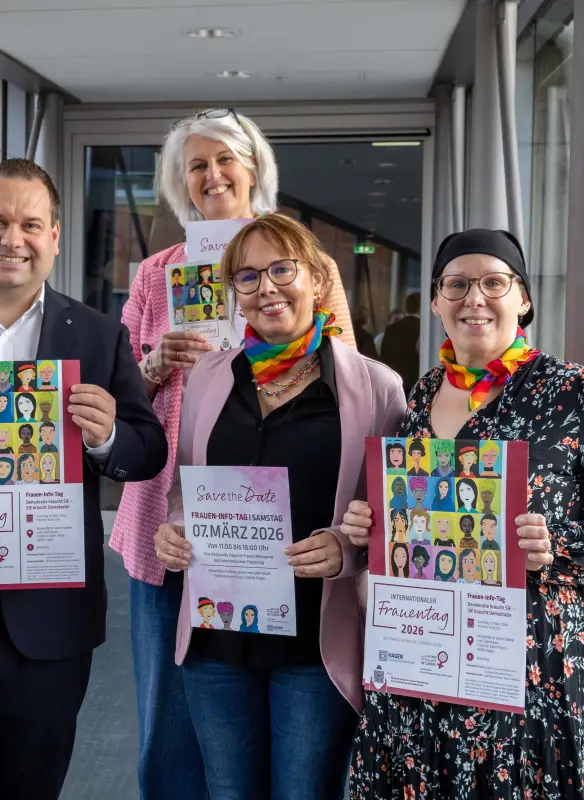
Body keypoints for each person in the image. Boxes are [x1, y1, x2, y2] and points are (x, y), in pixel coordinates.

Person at [342, 228, 584, 798]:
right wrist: (372, 526)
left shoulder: (573, 391)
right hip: (424, 654)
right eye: (457, 284)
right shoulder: (422, 395)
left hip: (527, 667)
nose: (475, 298)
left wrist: (558, 547)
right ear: (437, 301)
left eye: (494, 283)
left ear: (522, 299)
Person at [109, 108, 356, 800]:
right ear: (181, 183)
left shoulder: (307, 265)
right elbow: (116, 390)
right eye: (196, 165)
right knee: (170, 728)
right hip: (172, 526)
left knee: (281, 731)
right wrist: (154, 364)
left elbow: (347, 378)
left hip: (277, 522)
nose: (212, 175)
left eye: (225, 160)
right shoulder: (156, 274)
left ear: (254, 170)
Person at [153, 214, 405, 799]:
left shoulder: (377, 388)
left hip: (314, 645)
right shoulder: (208, 377)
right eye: (247, 277)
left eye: (282, 270)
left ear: (317, 279)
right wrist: (175, 529)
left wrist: (347, 550)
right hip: (217, 636)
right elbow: (185, 489)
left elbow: (397, 518)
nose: (266, 288)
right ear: (235, 294)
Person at [0, 158, 167, 800]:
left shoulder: (97, 335)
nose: (13, 239)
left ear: (54, 236)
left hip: (48, 616)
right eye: (0, 222)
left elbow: (147, 451)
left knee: (33, 781)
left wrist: (106, 437)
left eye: (30, 224)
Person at [379, 292, 420, 396]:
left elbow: (383, 357)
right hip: (415, 384)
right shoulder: (423, 330)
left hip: (393, 382)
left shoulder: (391, 329)